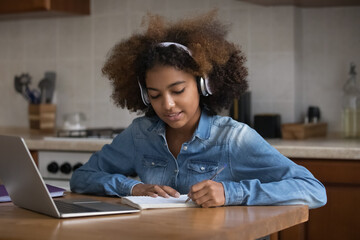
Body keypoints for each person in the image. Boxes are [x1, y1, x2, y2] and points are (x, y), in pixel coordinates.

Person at [70, 11, 327, 209]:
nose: (167, 105)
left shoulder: (233, 138)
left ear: (202, 84)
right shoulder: (141, 135)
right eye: (155, 95)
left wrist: (231, 193)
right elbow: (82, 178)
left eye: (178, 91)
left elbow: (313, 189)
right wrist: (133, 187)